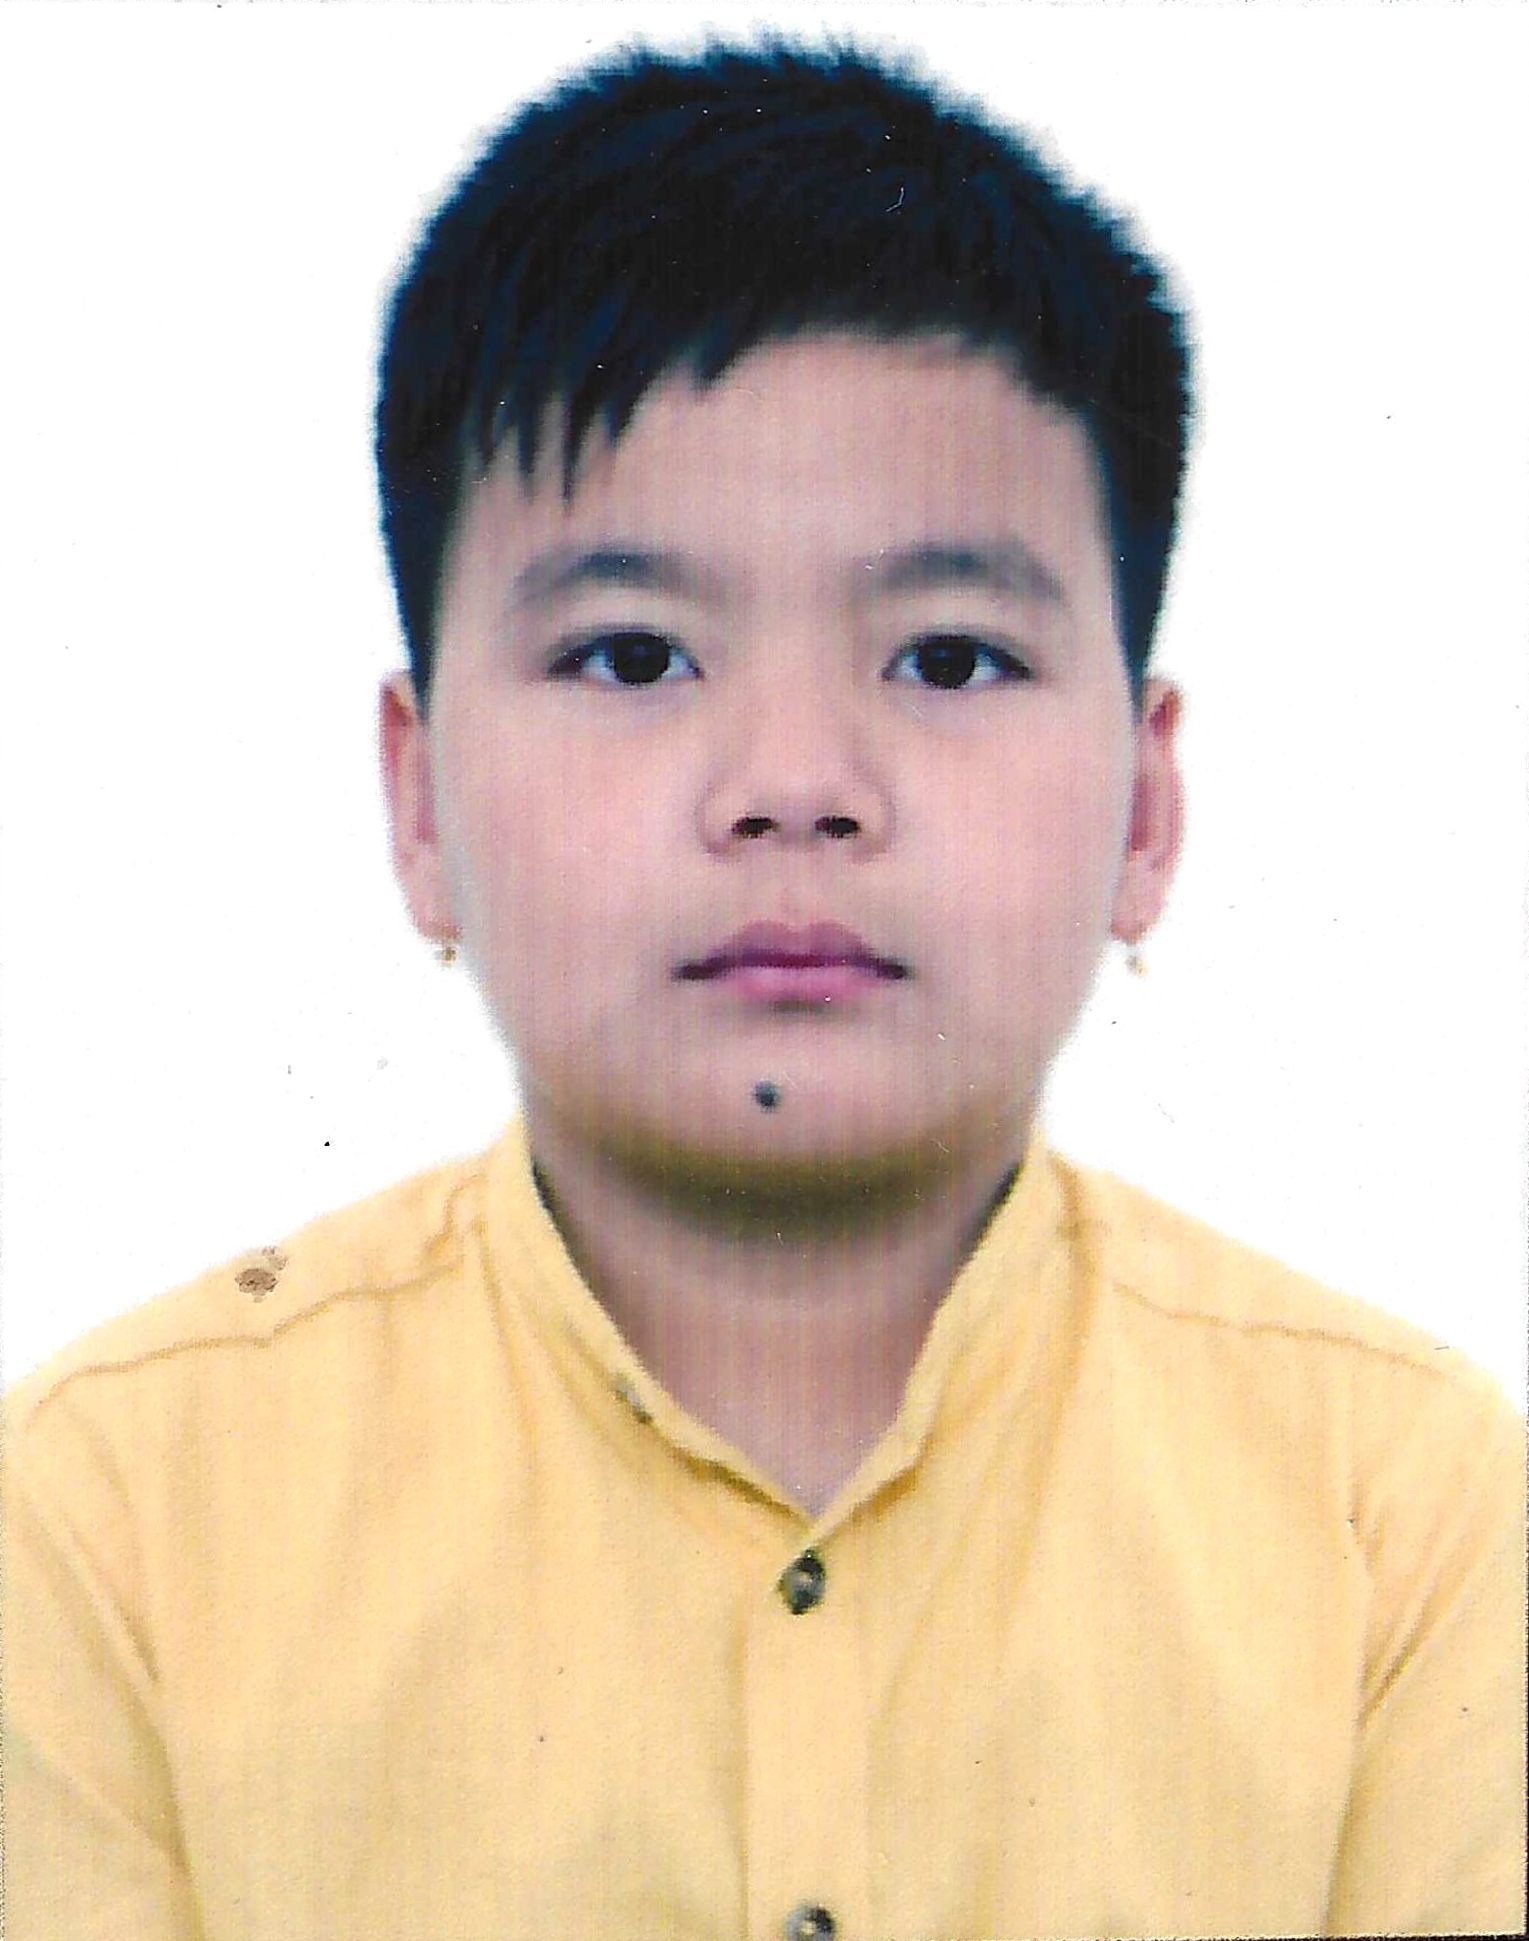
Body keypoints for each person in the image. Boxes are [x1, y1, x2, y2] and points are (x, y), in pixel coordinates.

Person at [3, 40, 1522, 1941]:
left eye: (948, 659)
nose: (794, 783)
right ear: (419, 802)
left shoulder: (1402, 1506)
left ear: (1143, 809)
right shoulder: (113, 1512)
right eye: (634, 654)